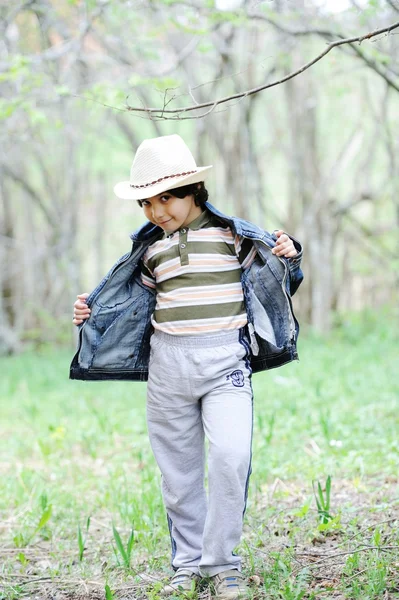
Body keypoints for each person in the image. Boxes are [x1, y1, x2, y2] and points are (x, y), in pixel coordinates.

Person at [71, 134, 303, 599]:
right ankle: (189, 563)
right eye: (146, 202)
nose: (157, 211)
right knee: (178, 472)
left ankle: (223, 563)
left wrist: (289, 255)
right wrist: (89, 312)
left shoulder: (232, 238)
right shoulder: (150, 250)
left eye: (167, 198)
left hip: (225, 365)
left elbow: (279, 280)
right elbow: (127, 305)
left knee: (231, 457)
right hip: (168, 368)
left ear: (194, 190)